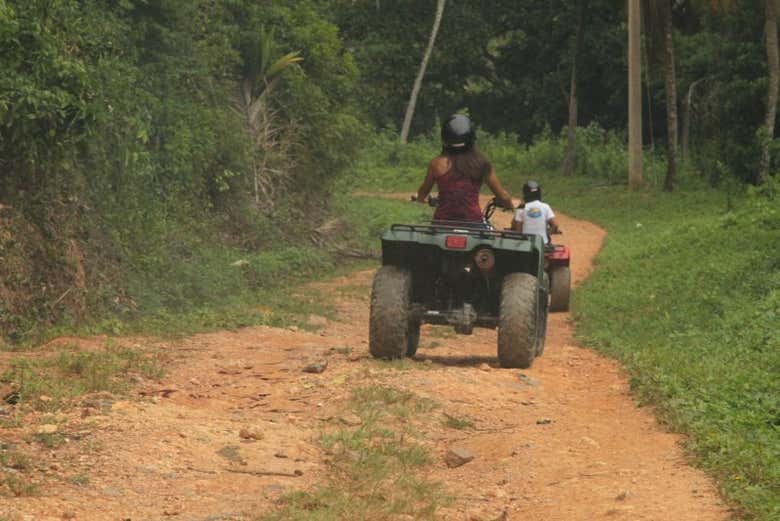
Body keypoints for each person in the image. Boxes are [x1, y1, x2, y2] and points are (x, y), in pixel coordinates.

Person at [415, 114, 514, 223]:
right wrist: (511, 207)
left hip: (442, 223)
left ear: (444, 138)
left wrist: (420, 199)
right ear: (471, 138)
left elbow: (423, 191)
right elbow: (503, 196)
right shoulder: (481, 163)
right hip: (473, 222)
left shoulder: (436, 163)